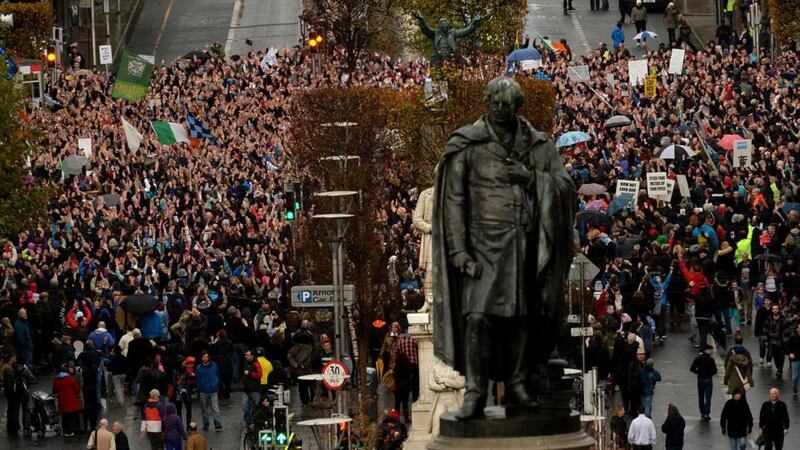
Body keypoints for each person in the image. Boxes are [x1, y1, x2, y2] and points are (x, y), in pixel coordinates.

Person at [2, 353, 36, 436]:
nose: (15, 359)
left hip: (11, 393)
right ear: (11, 358)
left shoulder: (6, 367)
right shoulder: (14, 368)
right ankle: (24, 427)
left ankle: (13, 428)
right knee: (22, 410)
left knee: (12, 411)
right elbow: (31, 378)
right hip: (18, 392)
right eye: (14, 358)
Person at [194, 350, 223, 431]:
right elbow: (197, 379)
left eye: (206, 357)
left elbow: (218, 375)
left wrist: (217, 384)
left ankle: (217, 424)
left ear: (208, 357)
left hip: (213, 390)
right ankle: (206, 424)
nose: (205, 359)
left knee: (215, 408)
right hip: (204, 390)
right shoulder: (199, 368)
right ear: (201, 358)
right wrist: (200, 387)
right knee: (204, 408)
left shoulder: (214, 365)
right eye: (203, 357)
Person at [53, 363, 83, 436]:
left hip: (62, 401)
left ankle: (66, 431)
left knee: (64, 416)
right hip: (71, 400)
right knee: (72, 416)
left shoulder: (56, 379)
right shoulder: (70, 378)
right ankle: (71, 430)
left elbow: (54, 390)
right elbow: (77, 388)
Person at [690, 343, 717, 421]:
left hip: (700, 379)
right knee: (708, 397)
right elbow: (714, 370)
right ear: (707, 350)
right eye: (711, 350)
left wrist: (698, 372)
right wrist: (710, 374)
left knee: (701, 397)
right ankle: (707, 413)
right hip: (708, 379)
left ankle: (702, 412)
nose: (712, 351)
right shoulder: (711, 360)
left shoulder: (698, 358)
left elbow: (692, 368)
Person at [763, 303, 789, 378]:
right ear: (772, 310)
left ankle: (779, 370)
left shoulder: (783, 319)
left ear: (779, 310)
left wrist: (785, 342)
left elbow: (786, 331)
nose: (775, 310)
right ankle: (778, 368)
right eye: (773, 309)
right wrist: (766, 340)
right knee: (774, 356)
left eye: (776, 309)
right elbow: (765, 330)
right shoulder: (769, 319)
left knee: (781, 356)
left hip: (780, 341)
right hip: (771, 341)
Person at [242, 348, 263, 425]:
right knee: (244, 406)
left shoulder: (256, 364)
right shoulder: (245, 363)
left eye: (247, 355)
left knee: (257, 406)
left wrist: (250, 373)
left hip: (255, 389)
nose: (246, 356)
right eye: (245, 355)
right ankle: (248, 421)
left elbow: (260, 375)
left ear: (252, 356)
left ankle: (257, 421)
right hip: (246, 389)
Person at [786, 322, 800, 395]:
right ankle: (794, 388)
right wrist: (790, 353)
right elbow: (787, 346)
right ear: (797, 329)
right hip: (796, 359)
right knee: (795, 377)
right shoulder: (793, 336)